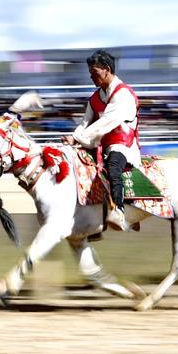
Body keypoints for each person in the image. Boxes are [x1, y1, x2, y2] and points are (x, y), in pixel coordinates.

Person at [62, 49, 141, 231]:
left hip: (122, 145)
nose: (92, 77)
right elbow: (84, 124)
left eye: (95, 73)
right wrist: (73, 139)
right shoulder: (94, 99)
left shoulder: (124, 95)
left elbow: (107, 122)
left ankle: (120, 211)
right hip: (98, 144)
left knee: (113, 167)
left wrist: (76, 138)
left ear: (107, 69)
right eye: (90, 74)